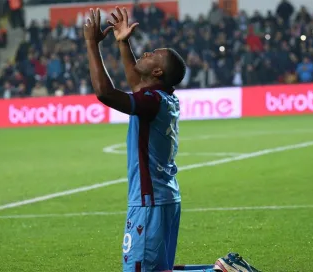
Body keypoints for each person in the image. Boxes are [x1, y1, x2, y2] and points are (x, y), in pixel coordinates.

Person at [84, 7, 261, 272]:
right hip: (165, 198)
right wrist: (123, 42)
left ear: (157, 73)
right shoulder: (163, 99)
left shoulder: (152, 101)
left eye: (153, 55)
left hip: (149, 201)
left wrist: (91, 44)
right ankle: (225, 268)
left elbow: (105, 93)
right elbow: (136, 84)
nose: (147, 53)